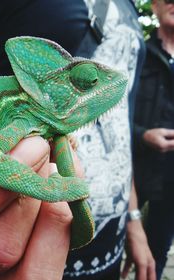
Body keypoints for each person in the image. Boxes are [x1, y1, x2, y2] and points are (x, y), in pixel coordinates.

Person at [0, 0, 155, 279]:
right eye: (85, 80)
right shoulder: (24, 114)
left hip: (109, 246)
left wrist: (134, 221)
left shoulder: (128, 4)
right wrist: (47, 188)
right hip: (6, 250)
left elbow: (120, 136)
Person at [133, 0, 174, 279]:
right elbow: (114, 113)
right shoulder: (138, 52)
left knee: (156, 255)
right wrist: (142, 135)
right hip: (136, 173)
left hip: (171, 182)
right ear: (155, 5)